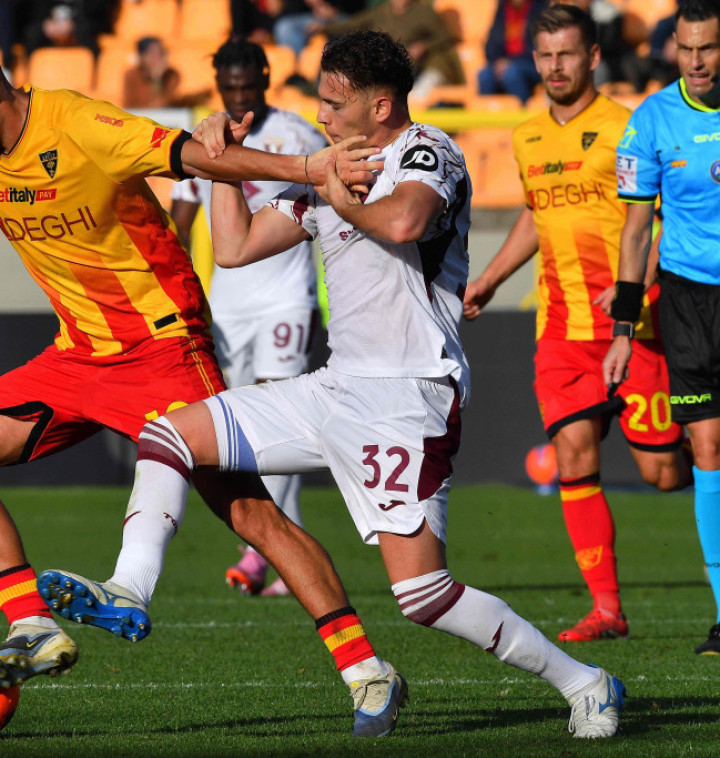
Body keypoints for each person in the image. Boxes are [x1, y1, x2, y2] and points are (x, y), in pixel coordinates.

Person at [41, 29, 626, 738]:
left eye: (333, 103)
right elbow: (235, 249)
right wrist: (221, 168)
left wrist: (336, 191)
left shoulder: (427, 150)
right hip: (336, 386)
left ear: (380, 106)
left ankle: (586, 681)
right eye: (318, 101)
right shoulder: (327, 169)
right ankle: (130, 587)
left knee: (423, 596)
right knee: (170, 432)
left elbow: (406, 218)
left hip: (411, 397)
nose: (320, 116)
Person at [0, 19, 388, 718]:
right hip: (76, 356)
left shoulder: (78, 124)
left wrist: (308, 168)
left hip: (164, 347)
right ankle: (33, 627)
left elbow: (193, 158)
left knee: (251, 513)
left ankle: (367, 670)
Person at [464, 5, 690, 643]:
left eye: (566, 54)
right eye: (544, 55)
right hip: (560, 332)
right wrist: (491, 277)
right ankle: (607, 610)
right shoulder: (527, 136)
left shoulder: (631, 128)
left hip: (635, 329)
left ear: (593, 56)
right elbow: (537, 216)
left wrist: (634, 291)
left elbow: (662, 222)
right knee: (571, 454)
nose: (554, 67)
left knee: (664, 474)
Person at [171, 39, 329, 597]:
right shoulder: (207, 140)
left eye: (247, 84)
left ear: (264, 76)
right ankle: (290, 550)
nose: (239, 94)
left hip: (287, 297)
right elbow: (181, 216)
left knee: (281, 415)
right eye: (229, 86)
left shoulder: (300, 134)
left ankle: (257, 553)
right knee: (247, 431)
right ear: (219, 83)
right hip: (229, 302)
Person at [604, 0, 720, 656]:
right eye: (688, 48)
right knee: (706, 451)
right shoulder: (651, 120)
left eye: (709, 48)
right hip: (685, 302)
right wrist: (624, 326)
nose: (698, 61)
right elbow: (636, 226)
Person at [321, 0, 465, 102]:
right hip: (383, 66)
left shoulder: (424, 11)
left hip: (416, 68)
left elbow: (444, 36)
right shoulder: (381, 10)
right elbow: (352, 24)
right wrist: (322, 28)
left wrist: (423, 46)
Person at [479, 0, 551, 103]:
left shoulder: (541, 8)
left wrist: (510, 62)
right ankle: (486, 115)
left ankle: (521, 112)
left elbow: (540, 47)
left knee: (511, 74)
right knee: (484, 75)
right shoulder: (502, 9)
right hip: (505, 63)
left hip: (532, 63)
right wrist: (498, 62)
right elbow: (490, 45)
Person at [122, 37, 208, 109]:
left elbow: (163, 105)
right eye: (153, 54)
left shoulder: (172, 75)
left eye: (161, 53)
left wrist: (157, 79)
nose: (158, 58)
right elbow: (129, 106)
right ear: (142, 57)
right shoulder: (131, 75)